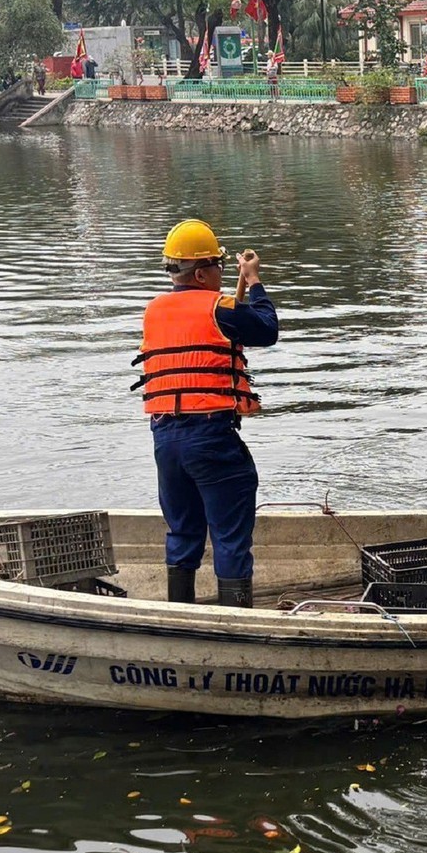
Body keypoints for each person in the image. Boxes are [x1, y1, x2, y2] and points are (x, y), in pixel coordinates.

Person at [133, 220, 279, 607]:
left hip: (165, 439)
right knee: (230, 536)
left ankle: (180, 613)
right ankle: (236, 623)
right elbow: (267, 329)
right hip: (210, 438)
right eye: (218, 264)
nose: (223, 272)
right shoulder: (221, 307)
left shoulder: (153, 311)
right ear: (201, 272)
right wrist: (254, 280)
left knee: (182, 532)